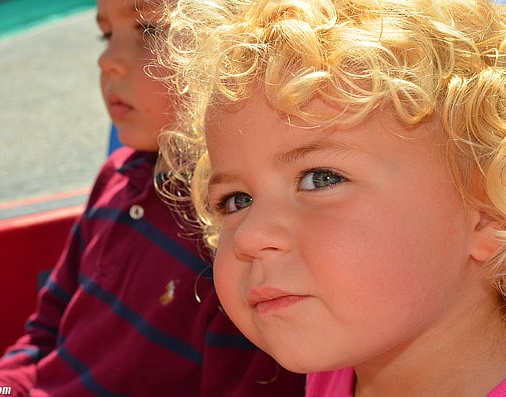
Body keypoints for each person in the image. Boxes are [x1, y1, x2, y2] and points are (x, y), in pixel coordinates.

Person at [157, 0, 506, 395]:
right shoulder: (336, 372)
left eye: (320, 179)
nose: (249, 237)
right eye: (237, 201)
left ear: (489, 211)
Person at [0, 0, 306, 395]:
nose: (108, 60)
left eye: (150, 32)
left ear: (238, 50)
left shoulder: (237, 244)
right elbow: (46, 330)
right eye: (107, 35)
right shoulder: (116, 176)